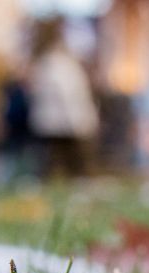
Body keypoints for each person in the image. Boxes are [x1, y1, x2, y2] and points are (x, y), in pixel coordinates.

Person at [28, 18, 99, 177]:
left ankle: (53, 181)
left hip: (53, 121)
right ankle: (74, 181)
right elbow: (67, 95)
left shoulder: (47, 62)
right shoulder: (60, 63)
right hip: (63, 122)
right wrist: (76, 121)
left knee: (55, 157)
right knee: (68, 158)